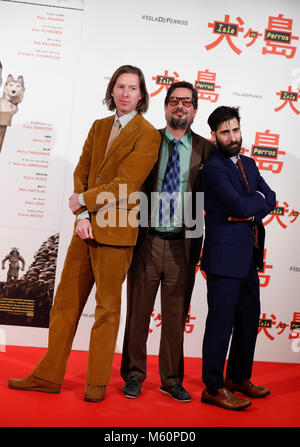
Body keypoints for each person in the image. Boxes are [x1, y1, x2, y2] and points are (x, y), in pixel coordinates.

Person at [8, 65, 161, 402]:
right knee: (64, 303)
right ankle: (48, 375)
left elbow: (126, 184)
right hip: (85, 227)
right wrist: (82, 213)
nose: (125, 93)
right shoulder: (99, 126)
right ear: (112, 90)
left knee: (107, 310)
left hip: (117, 233)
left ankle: (96, 383)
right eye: (120, 86)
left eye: (132, 88)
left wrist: (84, 201)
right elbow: (81, 170)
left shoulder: (148, 134)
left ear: (141, 94)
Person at [121, 81, 215, 402]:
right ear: (165, 107)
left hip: (182, 245)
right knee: (138, 313)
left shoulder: (207, 150)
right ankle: (134, 375)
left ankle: (171, 379)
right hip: (146, 239)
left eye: (186, 102)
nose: (180, 106)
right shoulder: (148, 140)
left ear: (195, 110)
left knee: (176, 316)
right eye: (174, 101)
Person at [200, 106, 276, 410]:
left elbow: (269, 198)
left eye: (235, 130)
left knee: (247, 320)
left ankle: (238, 378)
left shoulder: (249, 163)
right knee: (221, 324)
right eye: (225, 132)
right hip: (223, 258)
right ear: (214, 136)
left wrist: (252, 203)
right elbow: (240, 207)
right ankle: (213, 388)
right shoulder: (214, 168)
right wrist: (252, 204)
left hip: (247, 256)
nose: (232, 137)